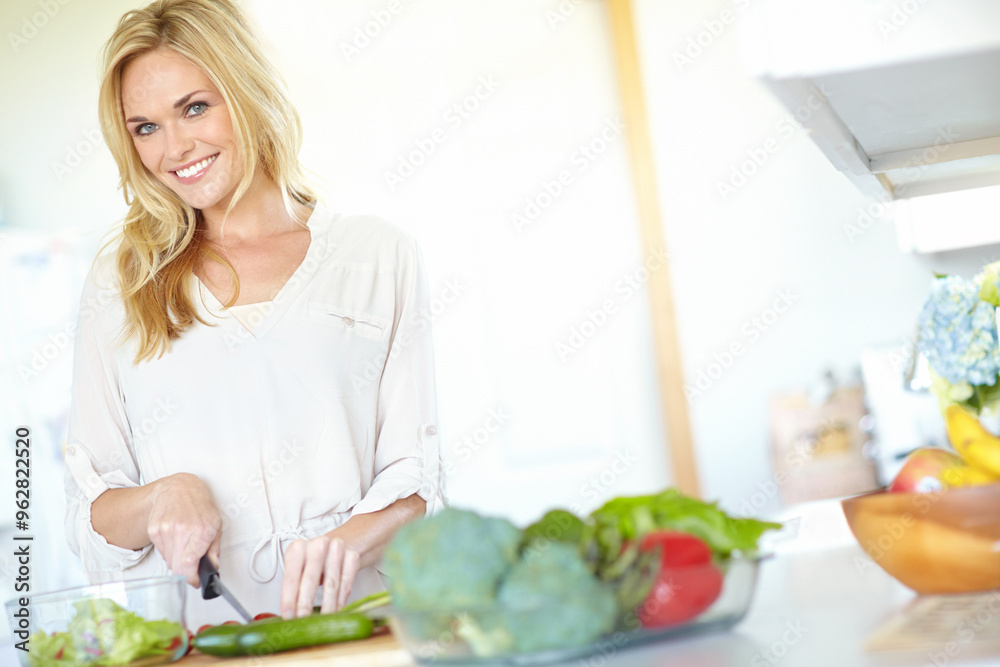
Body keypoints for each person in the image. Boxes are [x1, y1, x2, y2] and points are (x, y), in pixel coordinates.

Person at [63, 0, 444, 629]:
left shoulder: (378, 256)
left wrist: (345, 543)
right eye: (144, 127)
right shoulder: (121, 282)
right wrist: (162, 497)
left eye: (195, 107)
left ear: (246, 91)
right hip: (206, 637)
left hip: (358, 632)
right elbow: (89, 512)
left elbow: (418, 482)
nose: (174, 148)